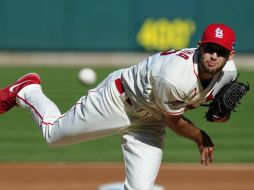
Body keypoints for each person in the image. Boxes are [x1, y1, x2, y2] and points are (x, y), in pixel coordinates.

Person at [0, 23, 237, 189]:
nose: (213, 56)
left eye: (221, 52)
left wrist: (221, 115)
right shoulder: (175, 77)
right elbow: (173, 121)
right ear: (199, 47)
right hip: (116, 101)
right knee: (53, 134)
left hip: (150, 120)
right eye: (209, 49)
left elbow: (216, 113)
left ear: (231, 55)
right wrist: (200, 136)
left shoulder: (228, 73)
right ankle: (28, 90)